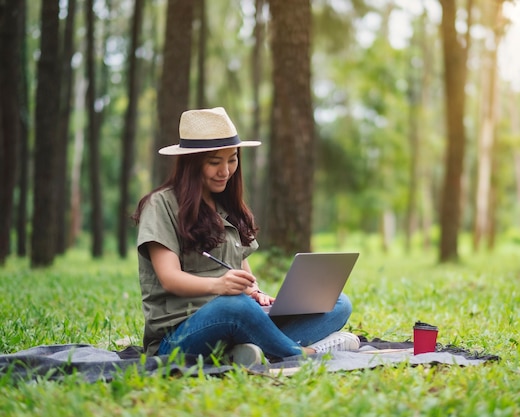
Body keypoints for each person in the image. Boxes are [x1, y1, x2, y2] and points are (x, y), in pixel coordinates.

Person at [132, 107, 359, 365]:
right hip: (179, 336)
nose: (226, 171)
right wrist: (221, 287)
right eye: (214, 162)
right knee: (235, 307)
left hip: (237, 314)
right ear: (191, 164)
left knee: (337, 302)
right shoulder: (160, 205)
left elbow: (242, 273)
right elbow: (169, 278)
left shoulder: (228, 207)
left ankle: (248, 351)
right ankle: (305, 355)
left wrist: (255, 293)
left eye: (232, 159)